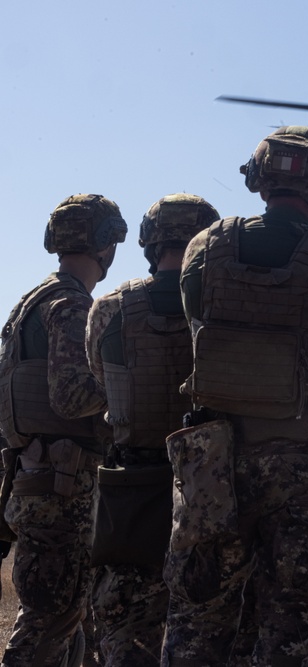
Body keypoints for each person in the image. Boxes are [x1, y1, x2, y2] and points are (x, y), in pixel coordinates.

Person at [161, 126, 308, 666]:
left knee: (196, 621)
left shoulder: (201, 249)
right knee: (294, 628)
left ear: (258, 179)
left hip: (213, 467)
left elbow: (195, 328)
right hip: (306, 468)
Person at [85, 193, 219, 666]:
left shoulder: (108, 309)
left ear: (148, 241)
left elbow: (102, 382)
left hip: (131, 492)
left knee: (126, 636)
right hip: (210, 489)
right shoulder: (221, 309)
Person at [0, 194, 127, 667]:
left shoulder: (32, 302)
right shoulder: (71, 305)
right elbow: (72, 397)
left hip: (39, 480)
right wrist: (126, 386)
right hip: (62, 490)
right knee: (48, 623)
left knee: (74, 620)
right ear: (104, 245)